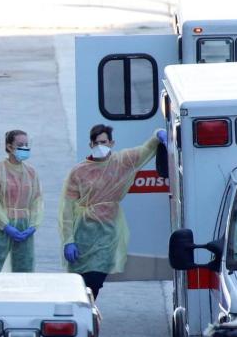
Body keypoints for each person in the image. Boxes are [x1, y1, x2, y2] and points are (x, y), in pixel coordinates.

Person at [58, 124, 167, 299]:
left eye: (104, 142)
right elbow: (67, 208)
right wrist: (68, 240)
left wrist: (158, 135)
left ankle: (89, 311)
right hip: (82, 234)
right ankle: (86, 314)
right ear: (91, 145)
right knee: (79, 283)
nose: (100, 146)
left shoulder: (122, 162)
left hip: (107, 234)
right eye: (96, 142)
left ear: (111, 142)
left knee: (95, 280)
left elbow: (146, 149)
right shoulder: (78, 172)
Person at [0, 129, 43, 273]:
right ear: (9, 147)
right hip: (0, 225)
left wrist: (33, 225)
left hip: (24, 225)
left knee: (24, 267)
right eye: (20, 144)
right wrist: (5, 225)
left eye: (27, 144)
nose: (25, 148)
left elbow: (37, 200)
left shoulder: (31, 172)